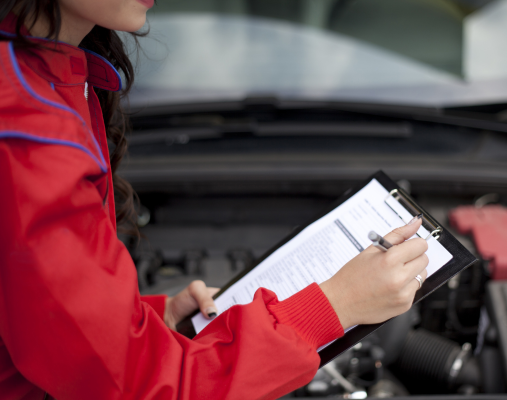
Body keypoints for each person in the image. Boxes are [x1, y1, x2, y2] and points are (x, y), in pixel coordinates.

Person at [0, 1, 429, 399]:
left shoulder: (43, 76)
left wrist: (149, 319)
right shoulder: (27, 136)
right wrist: (335, 305)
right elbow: (133, 387)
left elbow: (32, 314)